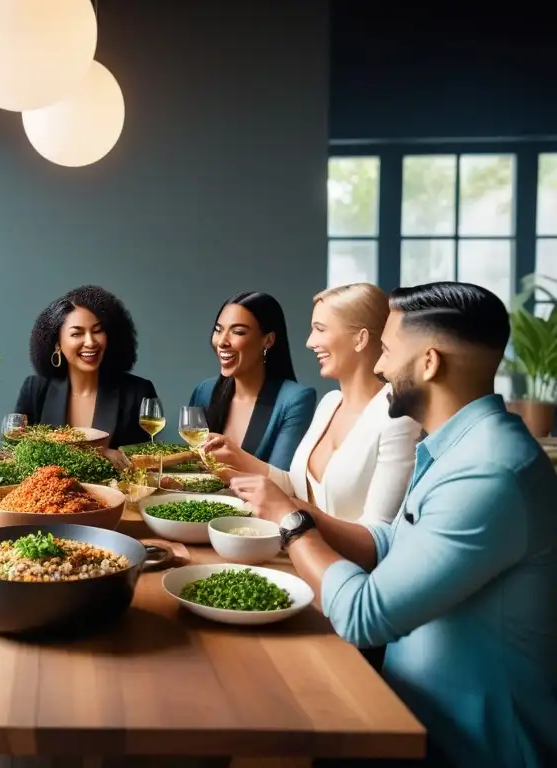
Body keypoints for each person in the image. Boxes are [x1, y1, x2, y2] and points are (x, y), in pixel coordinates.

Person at [230, 282, 557, 766]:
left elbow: (365, 616)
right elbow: (389, 542)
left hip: (466, 749)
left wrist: (293, 521)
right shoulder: (460, 447)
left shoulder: (491, 471)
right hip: (402, 711)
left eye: (386, 350)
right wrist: (291, 507)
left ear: (429, 362)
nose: (380, 367)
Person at [205, 284, 421, 524]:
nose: (310, 342)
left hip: (338, 560)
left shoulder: (397, 418)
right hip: (295, 548)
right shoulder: (330, 403)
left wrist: (291, 511)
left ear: (360, 339)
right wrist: (237, 457)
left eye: (320, 329)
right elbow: (297, 487)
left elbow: (378, 535)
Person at [15, 285, 158, 458]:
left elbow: (149, 460)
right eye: (77, 334)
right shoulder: (35, 389)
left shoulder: (138, 392)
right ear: (57, 343)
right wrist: (99, 453)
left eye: (97, 331)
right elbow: (16, 453)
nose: (90, 342)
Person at [189, 291, 316, 470]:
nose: (222, 342)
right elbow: (191, 464)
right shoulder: (204, 391)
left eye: (238, 332)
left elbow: (282, 479)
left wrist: (234, 456)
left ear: (268, 340)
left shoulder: (295, 399)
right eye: (218, 330)